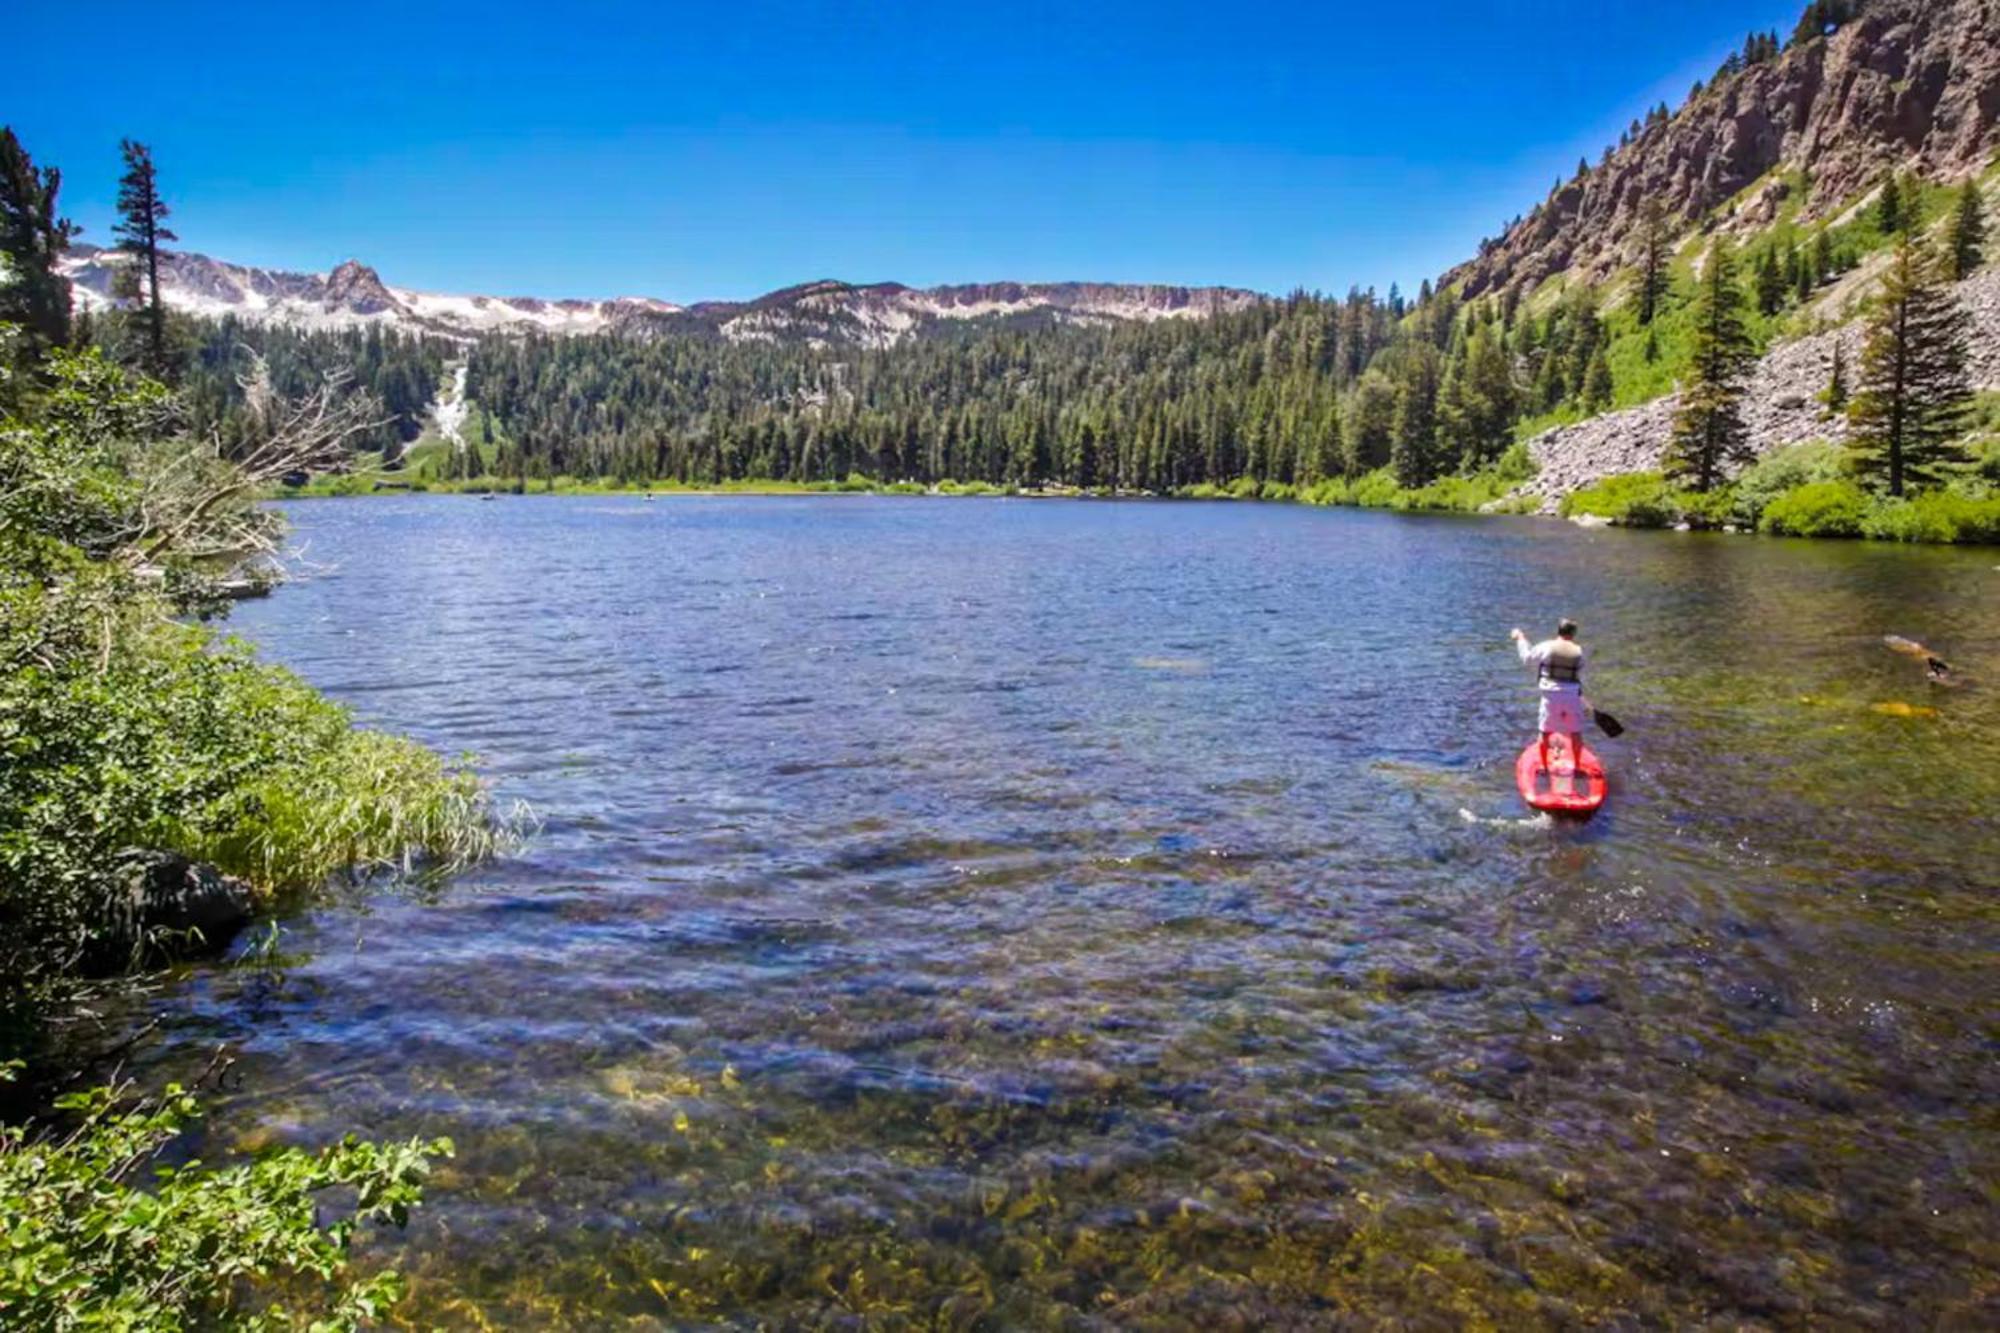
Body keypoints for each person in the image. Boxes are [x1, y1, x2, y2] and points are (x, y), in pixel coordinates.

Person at [1511, 618, 1586, 772]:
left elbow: (1527, 658)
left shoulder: (1546, 646)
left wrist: (1521, 638)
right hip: (1572, 696)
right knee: (1575, 733)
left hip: (1551, 696)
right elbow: (1580, 671)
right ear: (1573, 634)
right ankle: (1578, 767)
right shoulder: (1579, 651)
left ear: (1558, 631)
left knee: (1545, 732)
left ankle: (1545, 767)